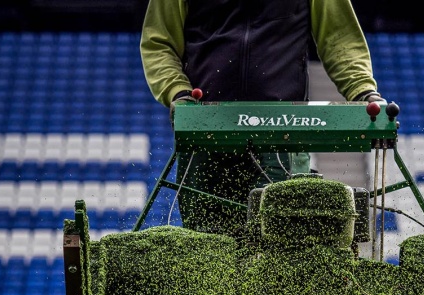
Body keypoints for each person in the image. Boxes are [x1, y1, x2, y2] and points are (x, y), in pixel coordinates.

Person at [140, 0, 383, 237]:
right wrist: (178, 91)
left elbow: (339, 38)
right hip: (204, 134)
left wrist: (363, 90)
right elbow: (159, 43)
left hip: (283, 136)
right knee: (206, 243)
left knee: (284, 243)